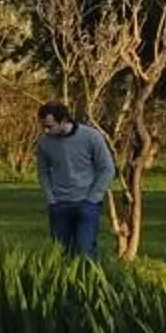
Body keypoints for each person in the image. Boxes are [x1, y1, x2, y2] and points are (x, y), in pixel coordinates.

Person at [33, 103, 115, 259]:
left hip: (87, 203)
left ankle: (88, 282)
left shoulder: (91, 137)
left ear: (63, 121)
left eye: (49, 126)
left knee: (85, 251)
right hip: (59, 204)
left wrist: (93, 198)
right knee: (61, 253)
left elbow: (107, 168)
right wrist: (51, 200)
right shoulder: (44, 142)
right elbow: (42, 172)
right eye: (43, 126)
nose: (46, 131)